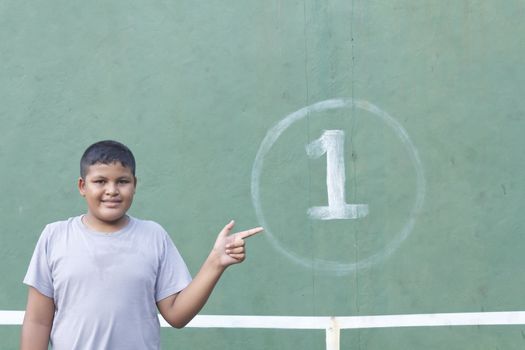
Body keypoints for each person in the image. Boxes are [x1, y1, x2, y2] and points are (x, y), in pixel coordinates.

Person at [20, 140, 263, 350]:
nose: (112, 190)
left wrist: (215, 263)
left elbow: (177, 314)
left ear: (134, 185)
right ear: (83, 186)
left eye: (122, 181)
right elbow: (38, 320)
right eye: (101, 181)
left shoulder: (153, 236)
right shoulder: (55, 236)